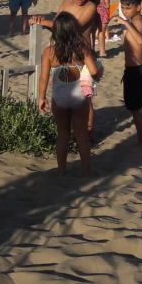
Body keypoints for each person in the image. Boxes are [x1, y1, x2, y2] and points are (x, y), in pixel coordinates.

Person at [36, 12, 100, 176]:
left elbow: (43, 78)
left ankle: (61, 170)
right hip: (79, 96)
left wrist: (41, 98)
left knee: (63, 134)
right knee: (82, 135)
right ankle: (86, 171)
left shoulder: (49, 52)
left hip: (60, 97)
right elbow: (93, 70)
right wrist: (96, 76)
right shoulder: (81, 48)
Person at [112, 0, 142, 149]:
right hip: (140, 68)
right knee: (135, 108)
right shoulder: (140, 20)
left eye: (128, 8)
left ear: (138, 7)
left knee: (135, 110)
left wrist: (126, 24)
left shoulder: (136, 21)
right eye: (122, 8)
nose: (124, 11)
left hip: (138, 70)